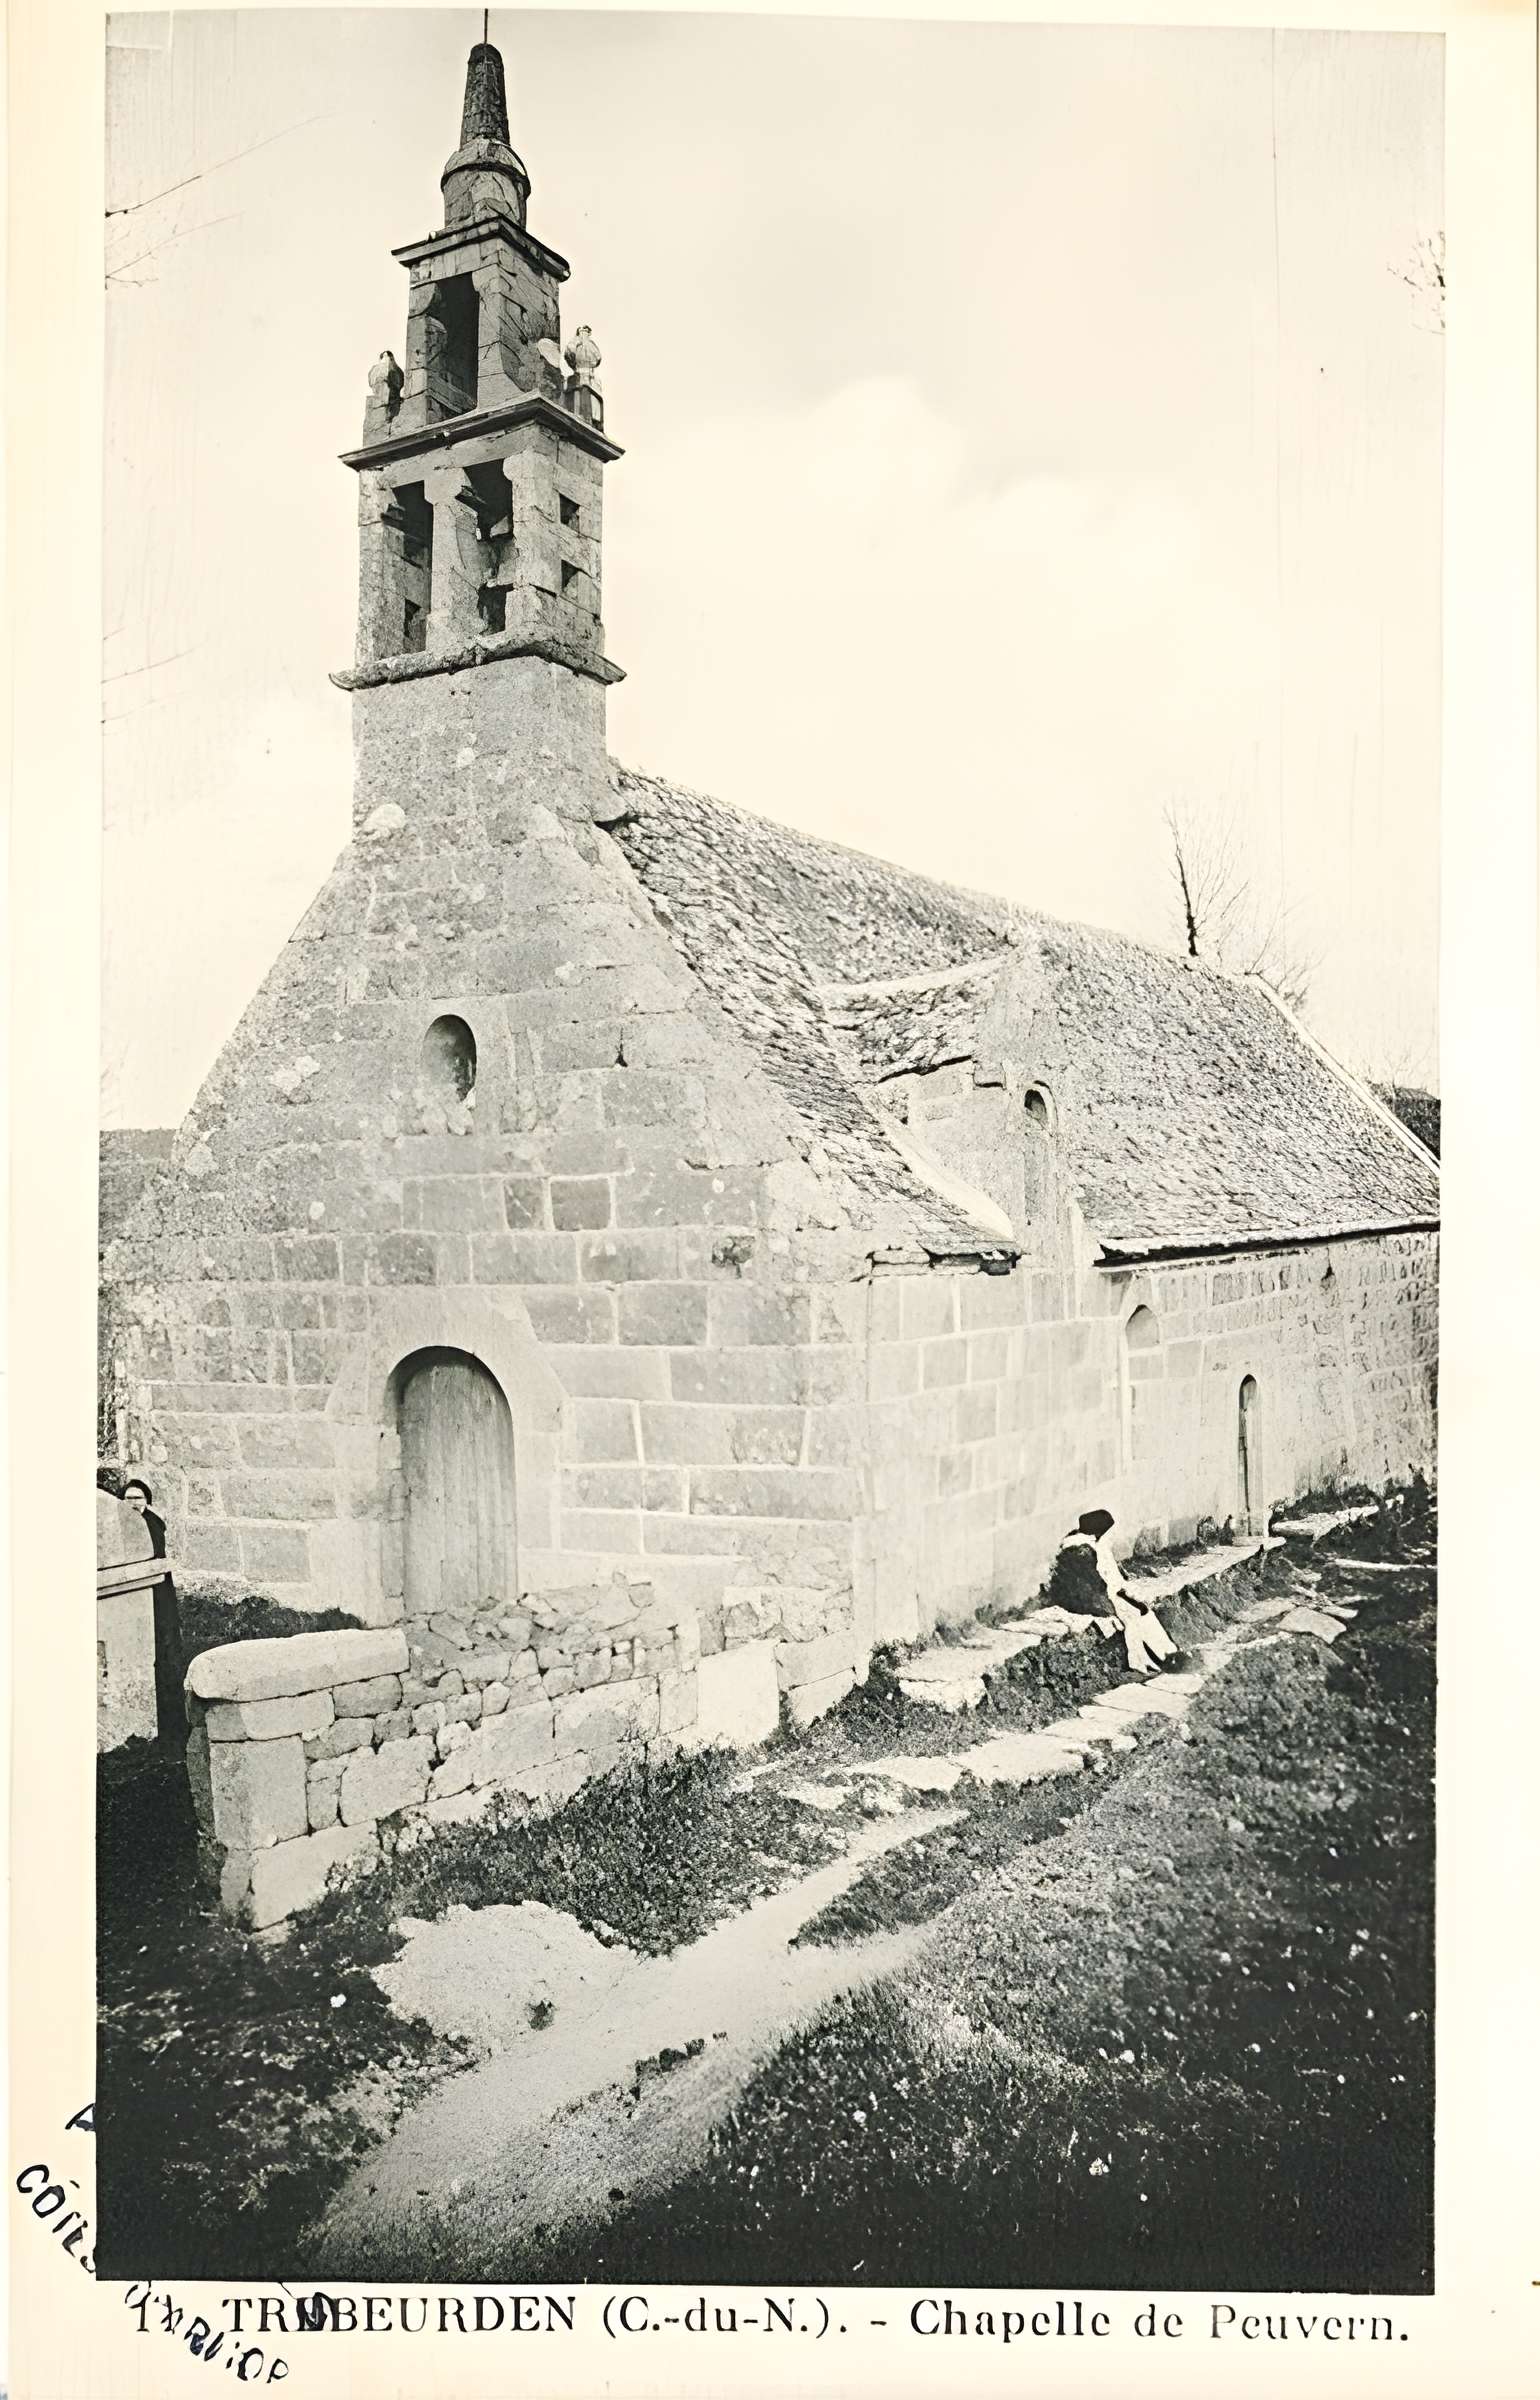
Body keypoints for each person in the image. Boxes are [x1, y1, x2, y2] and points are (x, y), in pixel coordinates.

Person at [1051, 1508, 1183, 1678]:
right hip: (1087, 1601)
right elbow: (1087, 1588)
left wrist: (1125, 1593)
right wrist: (1109, 1610)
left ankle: (1169, 1653)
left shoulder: (1095, 1546)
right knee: (1133, 1614)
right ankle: (1156, 1658)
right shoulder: (1079, 1551)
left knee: (1143, 1610)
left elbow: (1111, 1578)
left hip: (1106, 1594)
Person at [124, 1478, 184, 1748]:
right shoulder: (124, 1523)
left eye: (138, 1498)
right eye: (128, 1498)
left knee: (164, 1652)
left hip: (159, 1596)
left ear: (147, 1500)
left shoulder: (152, 1524)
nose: (133, 1503)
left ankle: (170, 1725)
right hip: (138, 1597)